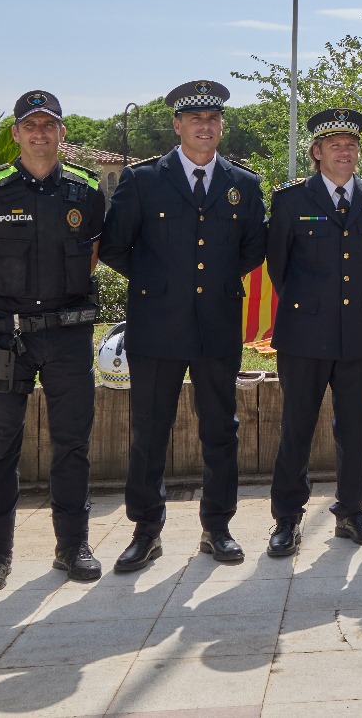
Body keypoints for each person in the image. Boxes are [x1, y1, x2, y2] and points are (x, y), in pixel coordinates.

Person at [99, 80, 268, 571]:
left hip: (216, 324)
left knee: (221, 429)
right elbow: (113, 245)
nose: (205, 126)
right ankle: (145, 531)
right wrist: (158, 280)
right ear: (177, 125)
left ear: (221, 126)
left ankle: (217, 527)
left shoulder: (243, 184)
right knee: (150, 431)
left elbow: (253, 248)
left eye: (213, 119)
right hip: (157, 325)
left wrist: (214, 280)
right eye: (195, 119)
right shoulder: (144, 180)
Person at [0, 90, 105, 593]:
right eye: (31, 125)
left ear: (62, 133)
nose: (41, 133)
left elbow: (91, 261)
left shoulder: (85, 192)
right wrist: (6, 307)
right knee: (0, 448)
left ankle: (73, 547)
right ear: (16, 133)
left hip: (67, 339)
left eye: (50, 125)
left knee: (73, 445)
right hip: (6, 340)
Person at [264, 108, 362, 555]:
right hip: (304, 333)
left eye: (352, 145)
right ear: (317, 152)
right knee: (296, 427)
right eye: (335, 145)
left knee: (354, 427)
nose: (345, 151)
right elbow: (278, 269)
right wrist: (311, 306)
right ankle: (286, 519)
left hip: (356, 332)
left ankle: (352, 513)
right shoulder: (290, 201)